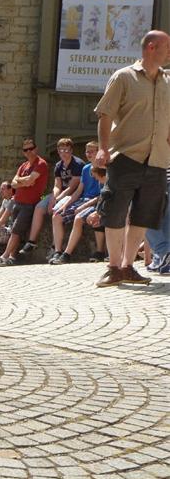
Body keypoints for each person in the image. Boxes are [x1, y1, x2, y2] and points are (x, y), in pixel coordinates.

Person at [93, 30, 170, 287]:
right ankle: (113, 267)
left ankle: (128, 266)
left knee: (144, 216)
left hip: (157, 159)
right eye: (167, 46)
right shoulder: (124, 77)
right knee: (115, 212)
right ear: (151, 47)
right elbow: (105, 114)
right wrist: (103, 149)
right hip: (126, 156)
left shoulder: (168, 82)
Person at [0, 138, 49, 266]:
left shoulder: (41, 164)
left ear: (36, 149)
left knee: (16, 230)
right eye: (25, 150)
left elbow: (28, 181)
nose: (28, 152)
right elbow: (13, 184)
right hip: (17, 202)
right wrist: (25, 181)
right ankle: (11, 257)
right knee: (15, 231)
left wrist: (22, 181)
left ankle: (4, 256)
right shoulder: (23, 165)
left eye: (31, 149)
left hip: (29, 204)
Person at [19, 137, 83, 257]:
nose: (64, 153)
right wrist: (53, 197)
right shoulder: (58, 165)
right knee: (40, 205)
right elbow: (57, 185)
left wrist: (56, 200)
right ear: (58, 151)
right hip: (59, 193)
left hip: (73, 195)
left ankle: (55, 247)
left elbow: (72, 187)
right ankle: (31, 242)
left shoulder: (78, 164)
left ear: (71, 150)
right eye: (61, 150)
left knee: (56, 211)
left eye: (66, 150)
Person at [49, 141, 105, 262]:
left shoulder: (103, 169)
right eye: (87, 152)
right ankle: (57, 251)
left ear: (98, 152)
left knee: (79, 218)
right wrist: (66, 204)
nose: (88, 154)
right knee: (57, 215)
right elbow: (79, 191)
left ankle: (67, 254)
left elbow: (102, 195)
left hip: (95, 202)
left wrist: (83, 206)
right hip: (83, 200)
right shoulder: (85, 169)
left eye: (92, 151)